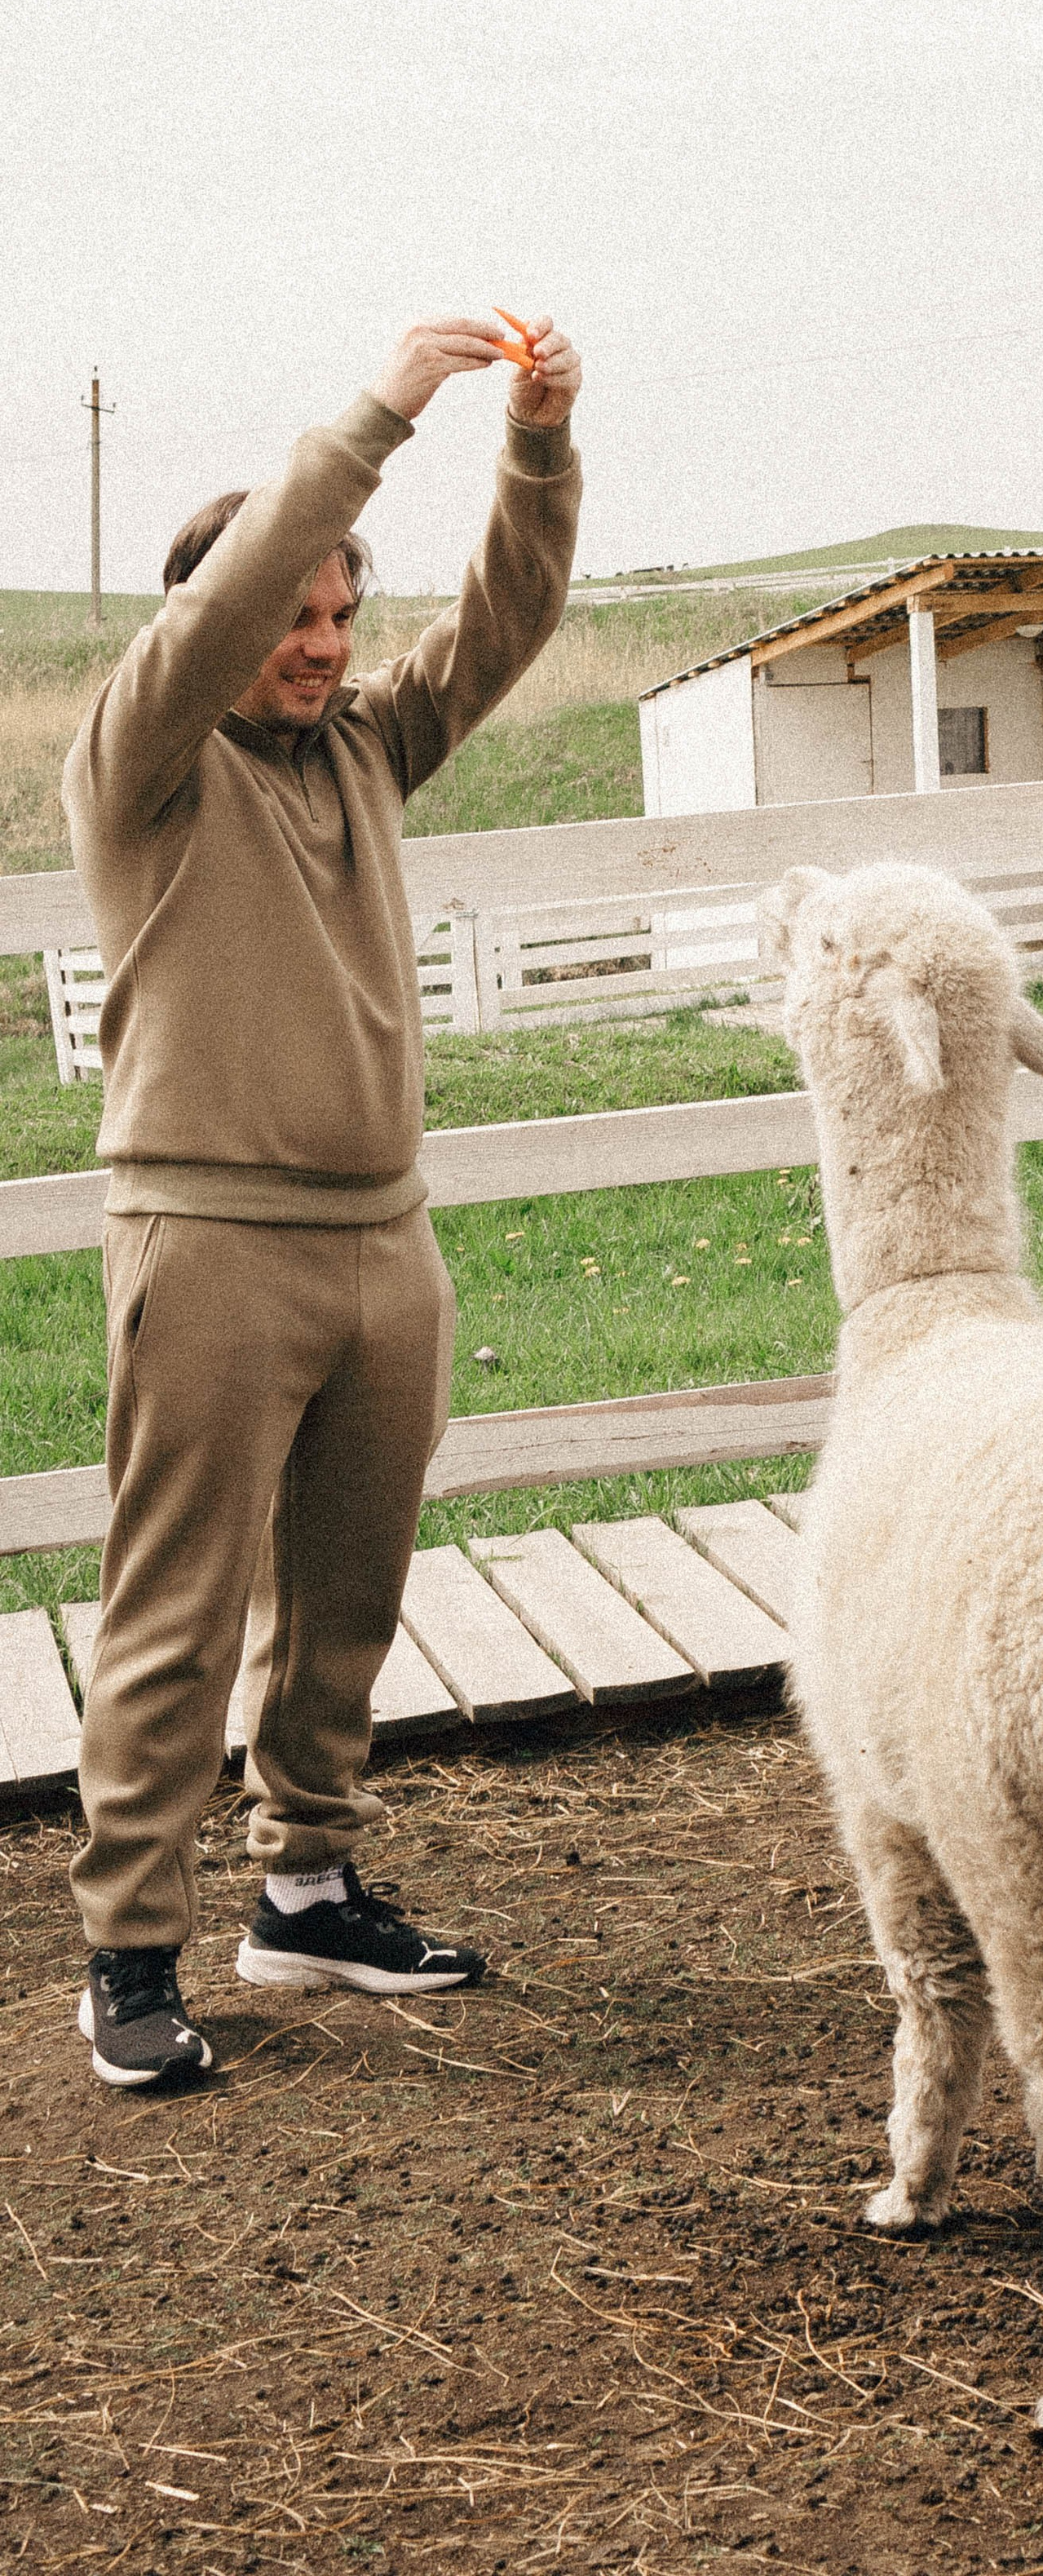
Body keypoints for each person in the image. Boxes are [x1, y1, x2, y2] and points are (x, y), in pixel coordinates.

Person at [63, 315, 583, 2088]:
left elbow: (505, 628)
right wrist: (381, 416)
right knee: (177, 1613)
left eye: (341, 617)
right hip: (205, 1244)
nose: (319, 644)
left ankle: (305, 1889)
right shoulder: (145, 759)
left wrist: (531, 444)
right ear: (210, 621)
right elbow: (223, 614)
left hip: (384, 1241)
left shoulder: (363, 749)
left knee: (343, 1606)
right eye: (291, 613)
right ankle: (129, 1950)